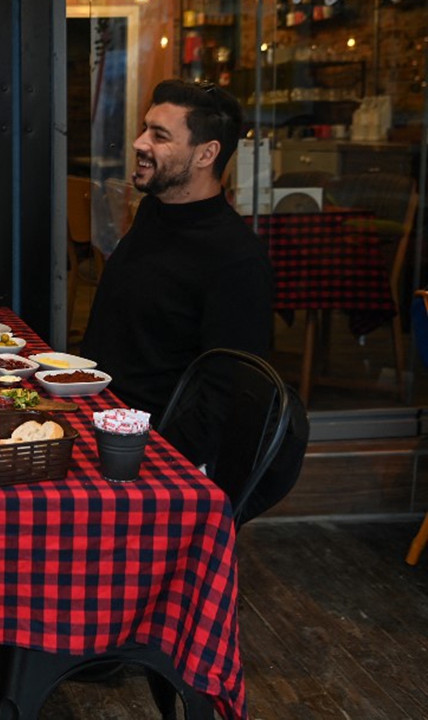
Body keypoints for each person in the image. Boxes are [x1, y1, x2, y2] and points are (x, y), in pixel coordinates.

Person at [82, 79, 274, 466]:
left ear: (206, 154)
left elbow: (227, 397)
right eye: (144, 128)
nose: (139, 143)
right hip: (100, 422)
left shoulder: (236, 257)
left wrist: (154, 462)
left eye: (160, 135)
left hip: (154, 453)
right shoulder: (155, 212)